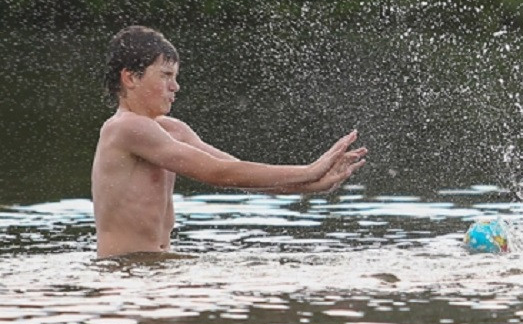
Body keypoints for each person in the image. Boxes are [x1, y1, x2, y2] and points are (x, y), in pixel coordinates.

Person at [91, 25, 367, 258]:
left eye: (175, 77)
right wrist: (309, 170)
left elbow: (235, 170)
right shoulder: (125, 127)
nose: (175, 87)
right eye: (165, 76)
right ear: (130, 77)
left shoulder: (172, 129)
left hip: (156, 268)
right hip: (124, 271)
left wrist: (310, 186)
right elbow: (218, 174)